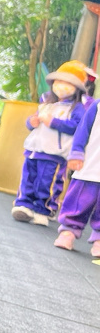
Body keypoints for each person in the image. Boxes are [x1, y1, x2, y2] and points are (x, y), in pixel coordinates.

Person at [11, 61, 88, 226]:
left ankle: (43, 209)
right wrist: (31, 122)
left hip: (54, 153)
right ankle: (24, 205)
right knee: (28, 178)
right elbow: (33, 121)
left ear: (77, 88)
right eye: (59, 81)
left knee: (47, 182)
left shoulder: (77, 108)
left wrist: (53, 122)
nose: (61, 86)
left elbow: (77, 127)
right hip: (34, 148)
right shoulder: (46, 102)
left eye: (68, 83)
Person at [54, 83, 100, 254]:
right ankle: (68, 231)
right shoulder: (97, 106)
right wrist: (76, 154)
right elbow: (82, 131)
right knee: (77, 201)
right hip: (90, 166)